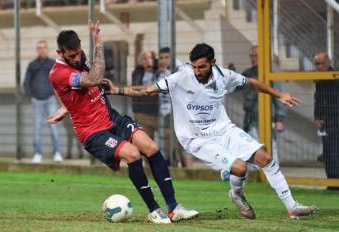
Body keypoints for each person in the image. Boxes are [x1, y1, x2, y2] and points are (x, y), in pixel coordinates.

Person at [103, 43, 317, 220]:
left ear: (213, 63)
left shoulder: (224, 76)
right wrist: (118, 90)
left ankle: (291, 206)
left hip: (224, 130)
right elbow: (148, 90)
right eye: (195, 67)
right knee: (241, 169)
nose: (197, 72)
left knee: (265, 158)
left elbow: (251, 82)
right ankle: (237, 195)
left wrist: (279, 94)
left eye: (202, 67)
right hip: (196, 139)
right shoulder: (181, 77)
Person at [47, 20, 198, 223]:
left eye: (78, 53)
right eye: (71, 55)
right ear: (60, 52)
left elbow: (83, 89)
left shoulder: (79, 56)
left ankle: (173, 208)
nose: (76, 58)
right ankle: (154, 210)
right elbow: (93, 79)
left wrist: (67, 107)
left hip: (112, 118)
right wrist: (98, 42)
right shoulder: (58, 73)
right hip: (93, 133)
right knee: (133, 155)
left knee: (151, 147)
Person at [241, 46, 287, 167]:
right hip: (250, 119)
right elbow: (236, 86)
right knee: (251, 151)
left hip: (266, 120)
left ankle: (274, 177)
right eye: (252, 56)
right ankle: (256, 178)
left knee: (270, 151)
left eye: (256, 56)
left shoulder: (269, 74)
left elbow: (279, 97)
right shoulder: (248, 73)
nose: (253, 58)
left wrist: (279, 119)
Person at [23, 40, 63, 164]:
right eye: (39, 48)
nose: (42, 50)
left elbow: (59, 81)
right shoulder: (32, 65)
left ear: (47, 49)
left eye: (44, 47)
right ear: (37, 50)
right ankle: (37, 154)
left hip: (50, 99)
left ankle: (57, 153)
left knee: (54, 128)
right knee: (37, 128)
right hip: (37, 101)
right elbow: (26, 83)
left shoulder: (53, 64)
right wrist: (31, 96)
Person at [157, 47, 193, 168]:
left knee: (182, 141)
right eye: (161, 58)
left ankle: (188, 170)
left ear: (172, 58)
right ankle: (174, 163)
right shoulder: (160, 71)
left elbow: (176, 84)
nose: (163, 60)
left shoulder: (180, 69)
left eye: (166, 57)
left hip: (179, 110)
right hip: (165, 111)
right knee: (168, 137)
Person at [314, 52, 339, 191]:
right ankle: (331, 183)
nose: (319, 66)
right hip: (325, 122)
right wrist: (317, 117)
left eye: (321, 63)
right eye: (317, 64)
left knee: (335, 153)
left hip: (336, 120)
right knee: (328, 153)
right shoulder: (319, 78)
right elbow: (317, 100)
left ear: (328, 62)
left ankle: (336, 184)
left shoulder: (335, 77)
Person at [132, 50, 159, 140]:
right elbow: (134, 92)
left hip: (158, 113)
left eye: (150, 58)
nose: (147, 61)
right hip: (143, 114)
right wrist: (136, 111)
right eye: (144, 59)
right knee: (147, 142)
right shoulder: (137, 73)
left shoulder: (159, 71)